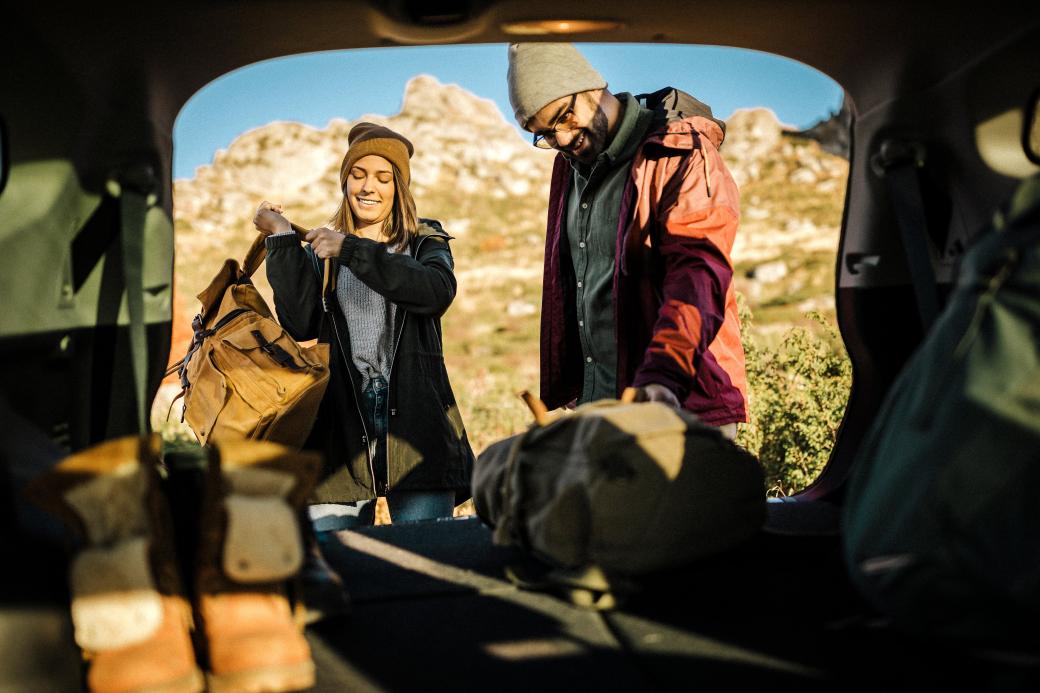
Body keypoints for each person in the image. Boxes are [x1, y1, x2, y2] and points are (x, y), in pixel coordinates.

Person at [507, 43, 748, 438]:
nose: (564, 139)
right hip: (597, 409)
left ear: (592, 88)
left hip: (676, 404)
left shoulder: (679, 152)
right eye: (546, 135)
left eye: (565, 117)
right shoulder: (567, 170)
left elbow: (698, 272)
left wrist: (665, 373)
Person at [253, 122, 475, 530]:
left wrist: (352, 249)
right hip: (339, 420)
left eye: (382, 177)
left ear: (399, 188)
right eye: (357, 175)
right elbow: (299, 323)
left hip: (416, 420)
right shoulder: (324, 251)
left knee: (424, 562)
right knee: (337, 561)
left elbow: (435, 292)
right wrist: (282, 238)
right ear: (345, 183)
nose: (368, 187)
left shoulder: (426, 239)